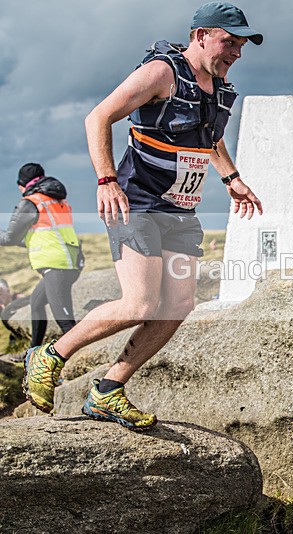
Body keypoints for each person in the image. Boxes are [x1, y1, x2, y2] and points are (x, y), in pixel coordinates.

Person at [22, 2, 264, 431]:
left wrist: (231, 178)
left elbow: (209, 136)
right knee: (140, 303)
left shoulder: (219, 87)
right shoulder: (161, 72)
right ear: (201, 35)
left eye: (241, 45)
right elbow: (98, 117)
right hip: (137, 203)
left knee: (178, 305)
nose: (236, 52)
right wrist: (106, 180)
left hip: (180, 209)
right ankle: (50, 355)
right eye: (229, 42)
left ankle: (108, 390)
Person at [0, 163, 83, 350]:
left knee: (66, 322)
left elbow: (10, 238)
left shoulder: (31, 202)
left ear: (22, 184)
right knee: (36, 303)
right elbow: (45, 236)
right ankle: (32, 353)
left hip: (56, 265)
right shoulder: (56, 200)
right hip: (69, 260)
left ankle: (79, 360)